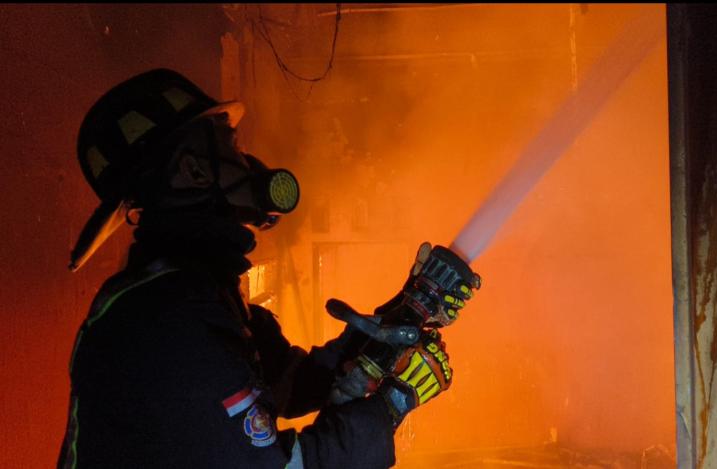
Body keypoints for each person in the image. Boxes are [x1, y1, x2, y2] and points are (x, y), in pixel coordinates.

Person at [57, 69, 478, 469]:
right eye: (232, 144)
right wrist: (393, 404)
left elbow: (292, 383)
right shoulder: (166, 318)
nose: (247, 160)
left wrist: (408, 308)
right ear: (194, 170)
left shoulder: (200, 291)